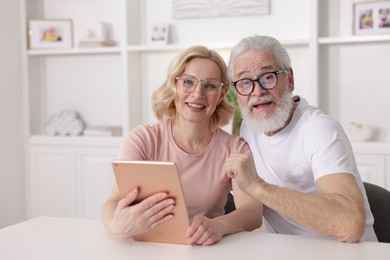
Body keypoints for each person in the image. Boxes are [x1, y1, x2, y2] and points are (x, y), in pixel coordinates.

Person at [101, 46, 262, 246]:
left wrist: (219, 225)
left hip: (206, 251)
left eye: (210, 86)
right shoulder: (142, 139)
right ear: (174, 86)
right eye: (188, 82)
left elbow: (253, 212)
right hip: (146, 249)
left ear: (221, 94)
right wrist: (115, 225)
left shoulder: (235, 148)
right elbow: (113, 202)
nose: (198, 93)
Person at [224, 35, 378, 243]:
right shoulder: (248, 128)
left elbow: (350, 224)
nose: (257, 91)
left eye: (268, 77)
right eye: (244, 83)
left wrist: (258, 187)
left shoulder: (319, 129)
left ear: (290, 79)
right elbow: (249, 213)